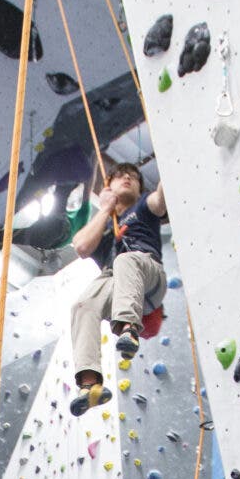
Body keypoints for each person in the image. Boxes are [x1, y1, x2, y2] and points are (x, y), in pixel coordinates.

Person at [66, 164, 169, 419]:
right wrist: (105, 209)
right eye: (121, 175)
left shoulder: (143, 206)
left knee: (126, 260)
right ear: (107, 187)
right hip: (116, 282)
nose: (128, 178)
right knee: (83, 303)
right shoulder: (103, 227)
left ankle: (129, 330)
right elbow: (80, 246)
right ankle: (90, 384)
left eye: (134, 178)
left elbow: (160, 200)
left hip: (148, 273)